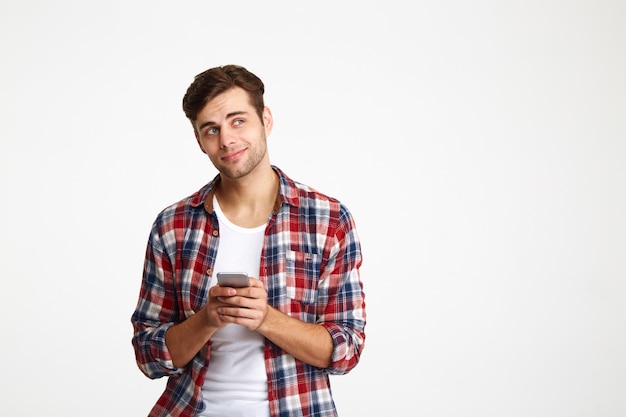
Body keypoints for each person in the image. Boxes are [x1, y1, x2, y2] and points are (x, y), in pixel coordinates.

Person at [131, 64, 366, 417]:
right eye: (211, 129)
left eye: (238, 120)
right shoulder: (173, 225)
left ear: (265, 120)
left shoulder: (328, 219)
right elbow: (148, 355)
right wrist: (207, 318)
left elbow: (346, 350)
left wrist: (265, 318)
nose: (226, 139)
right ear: (199, 141)